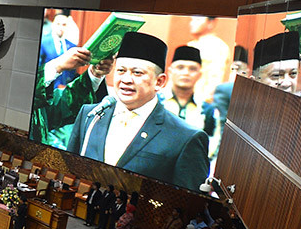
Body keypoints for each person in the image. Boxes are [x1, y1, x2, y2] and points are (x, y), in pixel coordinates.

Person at [66, 31, 210, 190]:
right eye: (121, 71)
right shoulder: (91, 115)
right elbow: (69, 172)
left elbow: (186, 203)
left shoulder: (185, 137)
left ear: (160, 81)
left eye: (137, 72)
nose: (126, 79)